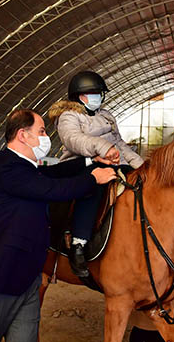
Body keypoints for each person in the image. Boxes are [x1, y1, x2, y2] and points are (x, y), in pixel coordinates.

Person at [0, 108, 116, 342]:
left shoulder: (27, 171)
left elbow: (53, 173)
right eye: (41, 131)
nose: (46, 137)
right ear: (23, 135)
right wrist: (94, 178)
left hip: (27, 283)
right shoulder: (4, 165)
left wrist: (90, 161)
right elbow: (53, 189)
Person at [48, 70, 144, 277]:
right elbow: (74, 140)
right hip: (80, 163)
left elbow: (119, 144)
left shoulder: (106, 116)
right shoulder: (68, 117)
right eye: (92, 93)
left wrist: (141, 166)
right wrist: (103, 148)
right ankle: (78, 243)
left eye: (99, 93)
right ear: (78, 96)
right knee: (94, 181)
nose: (97, 97)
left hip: (110, 161)